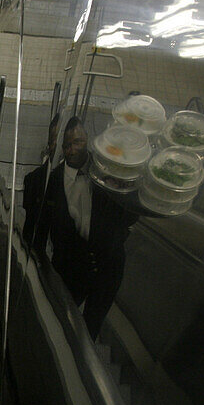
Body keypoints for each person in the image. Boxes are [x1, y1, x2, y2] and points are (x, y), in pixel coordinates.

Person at [31, 117, 138, 338]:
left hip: (108, 270)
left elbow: (129, 218)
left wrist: (127, 192)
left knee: (91, 329)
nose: (72, 149)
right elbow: (38, 229)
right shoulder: (47, 181)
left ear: (88, 140)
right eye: (66, 144)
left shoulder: (109, 172)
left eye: (78, 141)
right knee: (57, 323)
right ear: (56, 145)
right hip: (69, 269)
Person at [21, 111, 60, 245]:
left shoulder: (86, 182)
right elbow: (29, 230)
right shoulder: (33, 181)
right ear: (50, 143)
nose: (61, 145)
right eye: (56, 139)